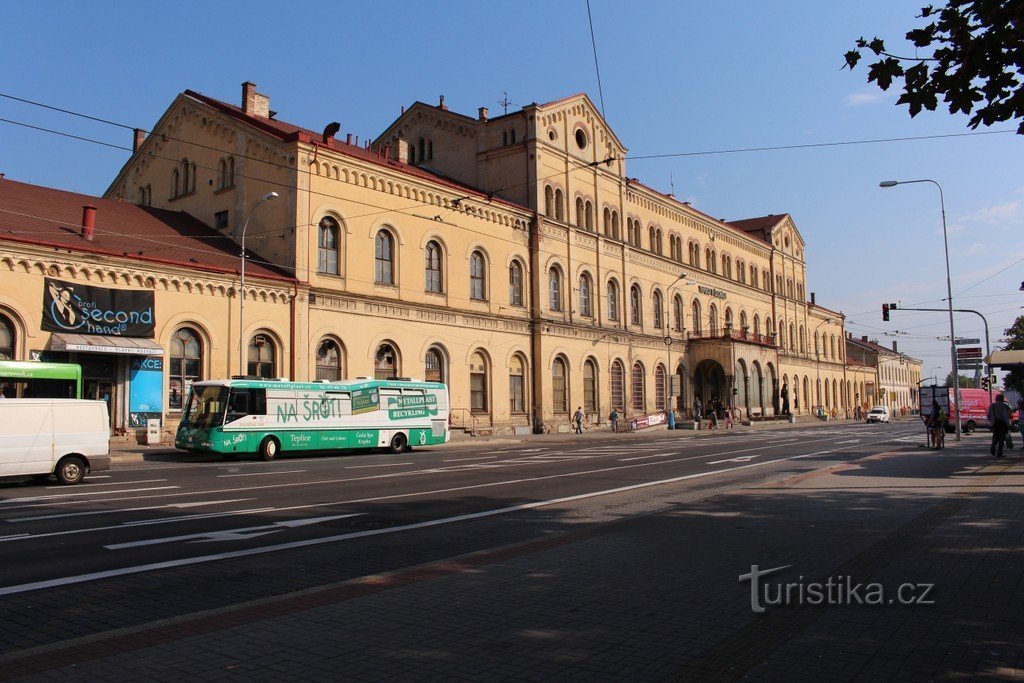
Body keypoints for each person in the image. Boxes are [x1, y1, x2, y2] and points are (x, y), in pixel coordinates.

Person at [987, 394, 1012, 458]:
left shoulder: (992, 405)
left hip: (995, 424)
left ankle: (993, 445)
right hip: (1003, 424)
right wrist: (1008, 425)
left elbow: (988, 415)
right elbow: (1007, 416)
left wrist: (991, 421)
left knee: (995, 436)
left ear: (996, 398)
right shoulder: (1005, 406)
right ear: (1002, 399)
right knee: (1001, 439)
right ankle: (999, 453)